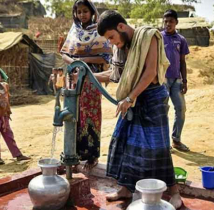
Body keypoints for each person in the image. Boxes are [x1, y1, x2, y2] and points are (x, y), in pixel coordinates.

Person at [93, 10, 183, 208]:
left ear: (121, 27)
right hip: (132, 99)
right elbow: (115, 74)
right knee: (125, 143)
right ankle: (126, 188)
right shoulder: (121, 47)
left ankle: (174, 192)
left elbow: (150, 73)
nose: (111, 42)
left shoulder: (147, 37)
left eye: (111, 37)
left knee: (157, 148)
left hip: (152, 99)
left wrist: (129, 97)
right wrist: (86, 74)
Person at [60, 0, 112, 171]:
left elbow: (105, 57)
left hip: (91, 78)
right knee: (72, 114)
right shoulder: (74, 31)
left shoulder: (99, 31)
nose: (81, 15)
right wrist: (74, 62)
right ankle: (72, 155)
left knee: (90, 116)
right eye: (78, 11)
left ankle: (91, 156)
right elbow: (64, 54)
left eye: (85, 11)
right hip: (73, 79)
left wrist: (82, 61)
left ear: (92, 12)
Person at [162, 9, 190, 152]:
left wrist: (185, 80)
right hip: (163, 80)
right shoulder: (158, 38)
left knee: (181, 108)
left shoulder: (181, 39)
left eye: (171, 21)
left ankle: (176, 140)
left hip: (177, 80)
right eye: (165, 21)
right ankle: (164, 143)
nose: (168, 24)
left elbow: (182, 62)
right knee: (163, 110)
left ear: (176, 23)